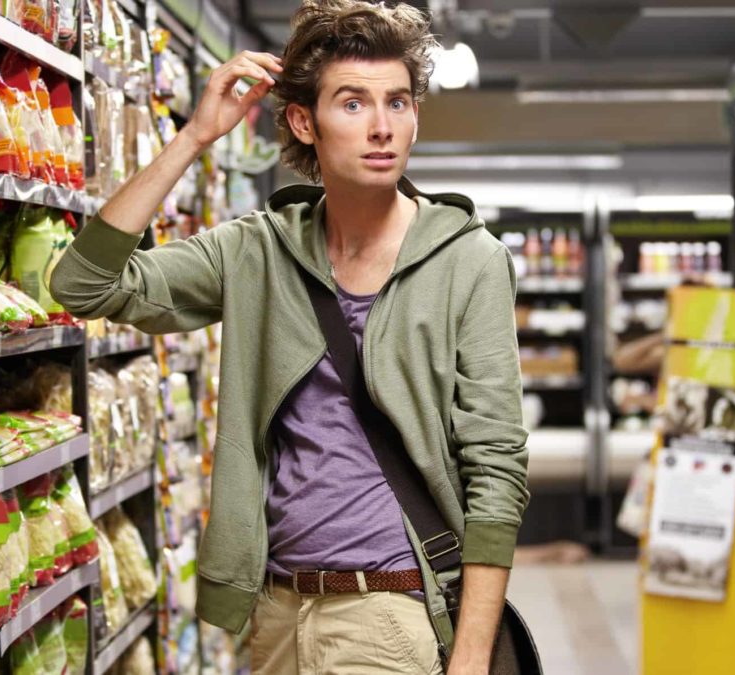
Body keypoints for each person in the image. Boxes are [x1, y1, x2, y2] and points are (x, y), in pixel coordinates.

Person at [50, 1, 528, 672]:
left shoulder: (468, 261)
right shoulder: (257, 251)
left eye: (397, 102)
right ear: (305, 122)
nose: (383, 126)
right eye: (353, 103)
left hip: (392, 611)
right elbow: (84, 285)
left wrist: (472, 653)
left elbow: (497, 464)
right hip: (278, 612)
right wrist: (193, 138)